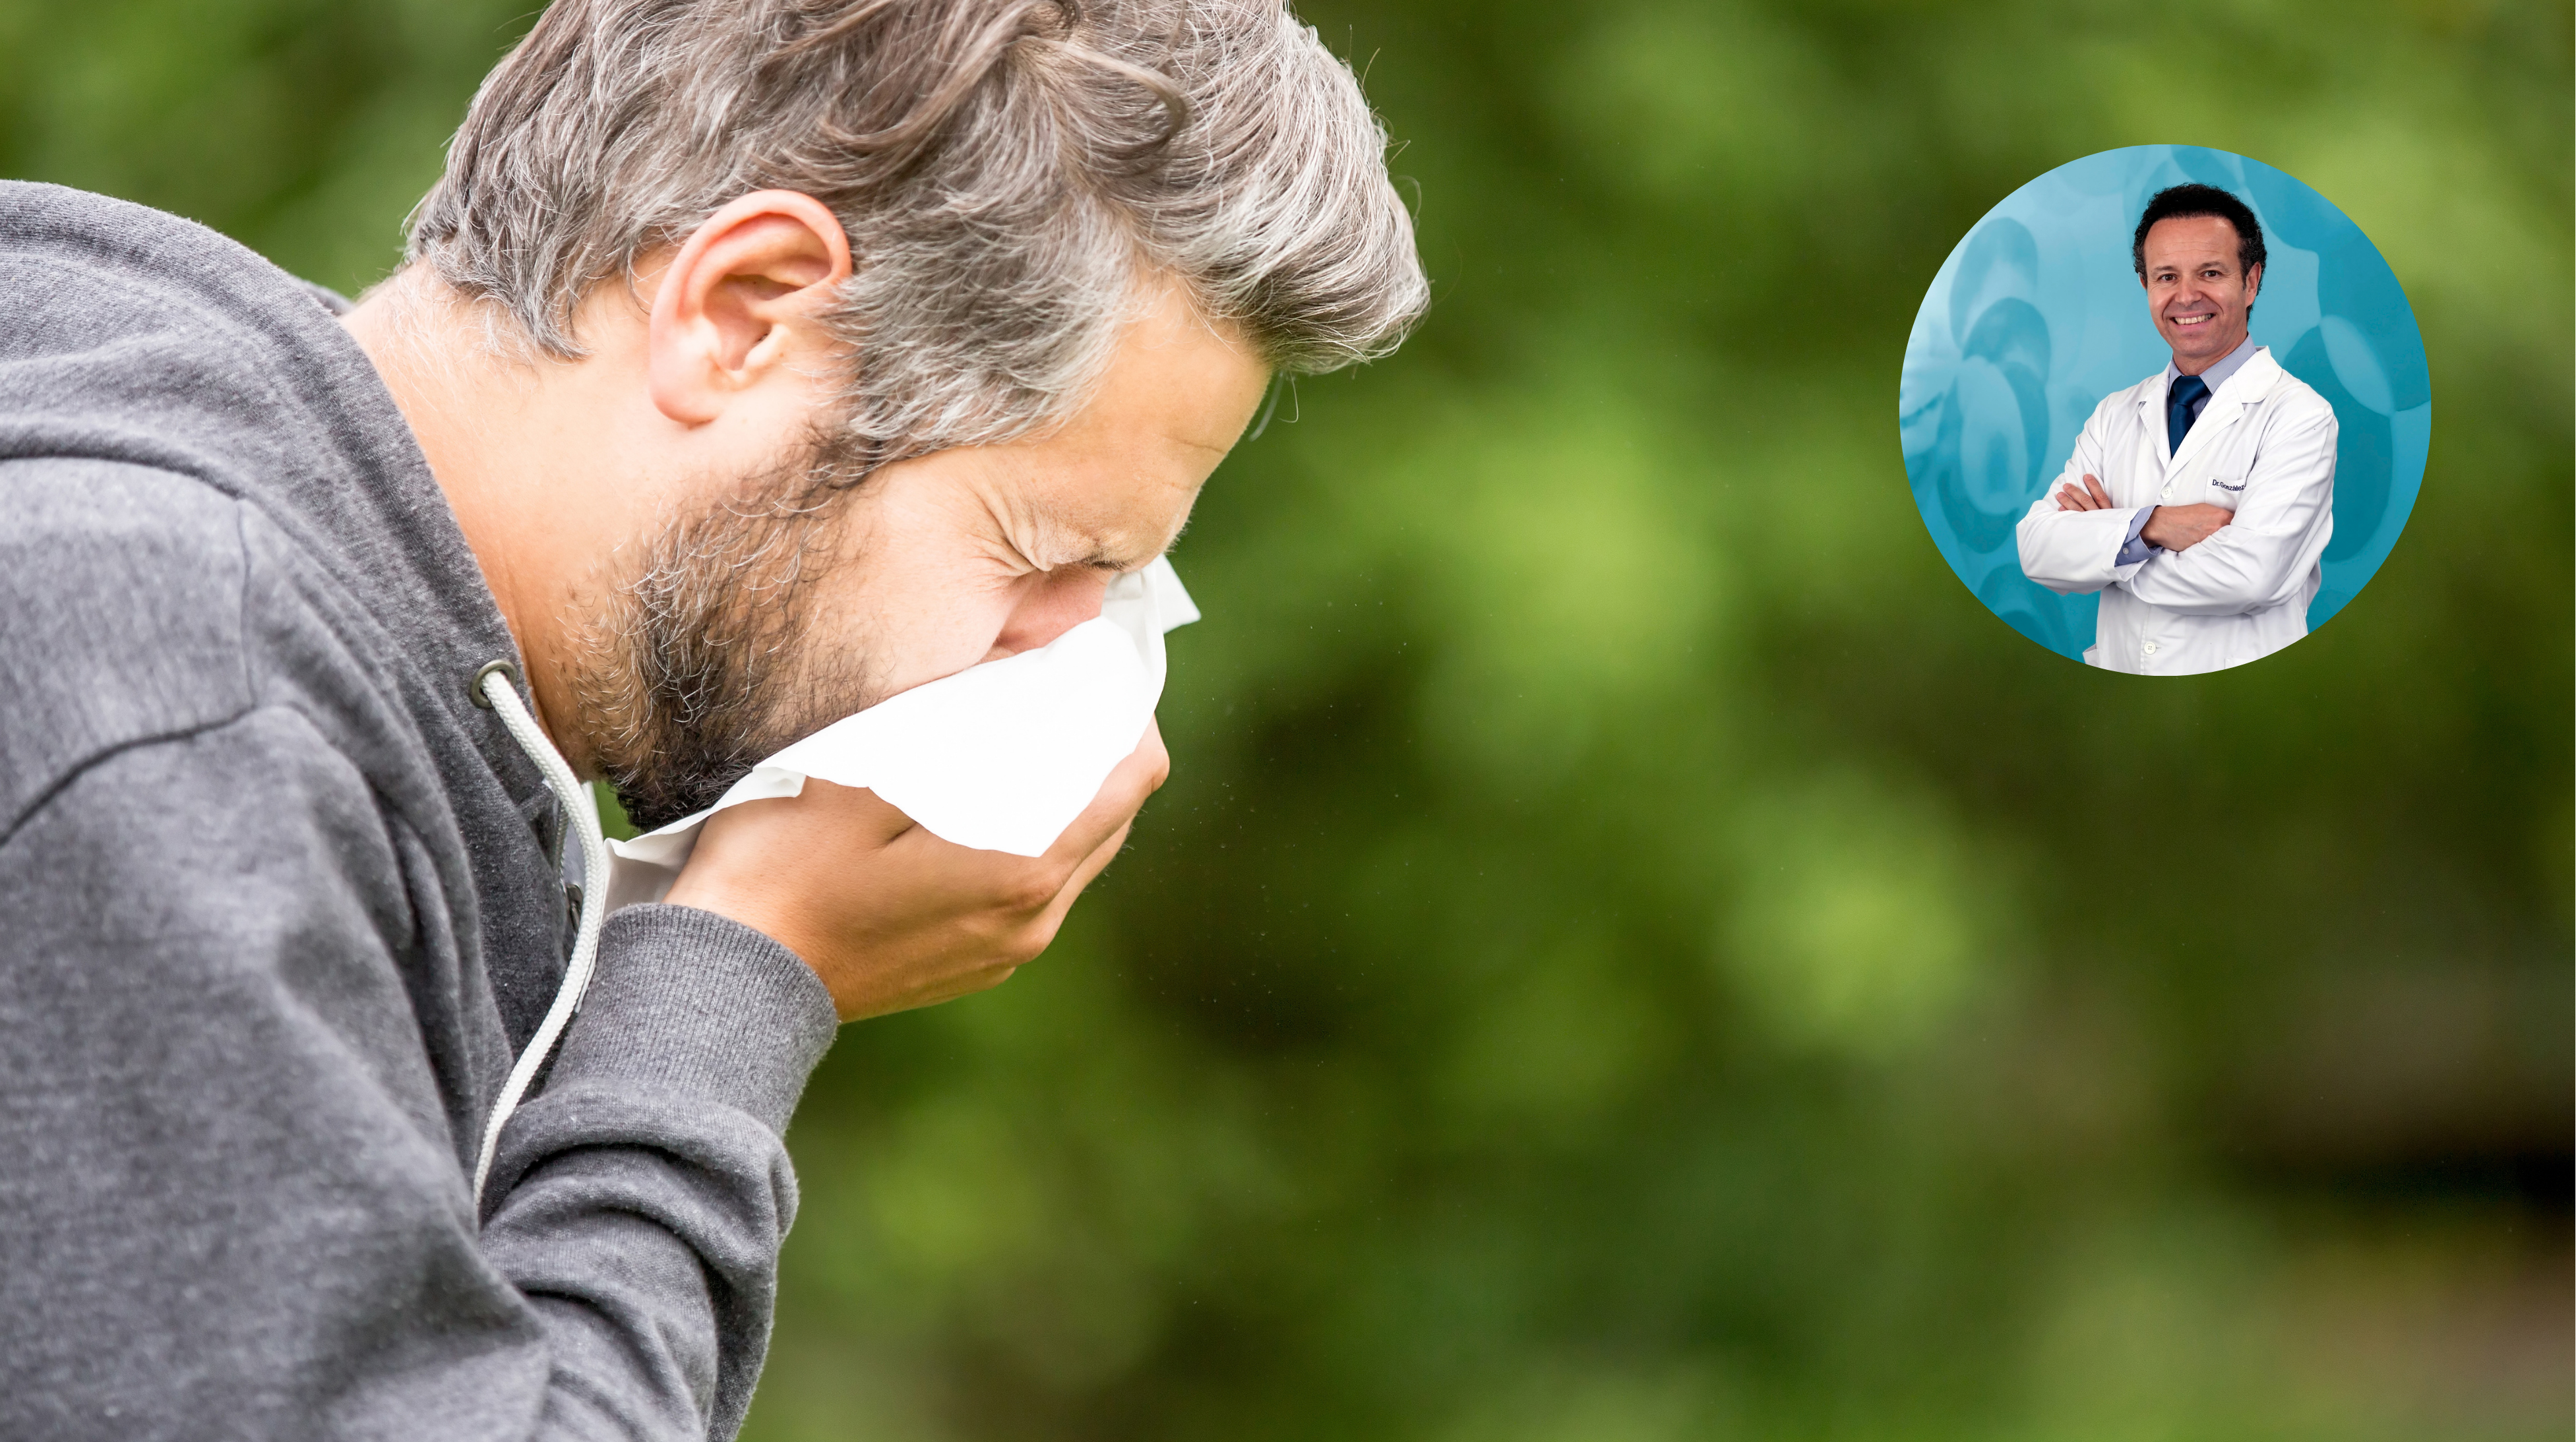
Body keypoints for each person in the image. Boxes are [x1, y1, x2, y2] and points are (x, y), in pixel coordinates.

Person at [0, 2, 1425, 1437]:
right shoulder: (176, 699)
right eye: (1046, 553)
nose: (1058, 656)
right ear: (746, 311)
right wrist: (740, 973)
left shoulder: (292, 608)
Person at [2015, 183, 2337, 675]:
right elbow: (2038, 548)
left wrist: (2111, 551)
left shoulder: (2299, 416)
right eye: (2167, 276)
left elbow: (2251, 576)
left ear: (2251, 282)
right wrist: (2154, 525)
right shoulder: (2114, 415)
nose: (2187, 296)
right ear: (2146, 285)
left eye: (2211, 272)